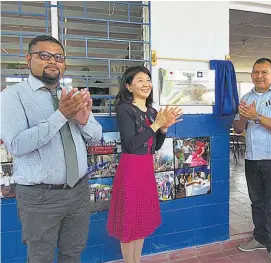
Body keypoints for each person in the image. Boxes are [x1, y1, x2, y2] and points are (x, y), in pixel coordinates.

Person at [0, 35, 102, 262]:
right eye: (44, 55)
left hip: (78, 190)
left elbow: (96, 137)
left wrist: (84, 120)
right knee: (40, 257)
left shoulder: (71, 96)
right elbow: (17, 145)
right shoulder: (12, 97)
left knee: (73, 253)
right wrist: (61, 116)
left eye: (59, 57)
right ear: (29, 59)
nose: (53, 61)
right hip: (40, 196)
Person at [107, 66, 183, 263]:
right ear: (128, 86)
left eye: (148, 80)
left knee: (140, 221)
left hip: (146, 169)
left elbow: (154, 146)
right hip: (131, 170)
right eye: (139, 80)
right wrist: (157, 125)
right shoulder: (125, 109)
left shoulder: (152, 112)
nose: (146, 84)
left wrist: (164, 129)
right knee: (129, 222)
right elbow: (131, 145)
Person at [233, 58, 271, 263]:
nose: (259, 76)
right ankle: (260, 237)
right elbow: (239, 129)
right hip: (252, 158)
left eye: (264, 72)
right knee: (257, 203)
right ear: (251, 75)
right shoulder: (246, 96)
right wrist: (243, 117)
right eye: (256, 72)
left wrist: (256, 116)